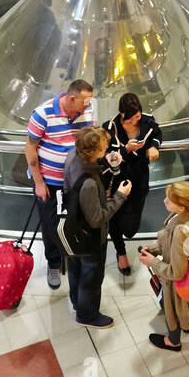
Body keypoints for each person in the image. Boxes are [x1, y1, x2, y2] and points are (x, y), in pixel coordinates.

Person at [25, 79, 95, 290]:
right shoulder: (43, 114)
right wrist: (38, 182)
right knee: (50, 225)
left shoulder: (86, 111)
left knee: (75, 221)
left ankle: (73, 255)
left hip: (74, 182)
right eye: (85, 101)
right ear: (72, 98)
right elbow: (30, 148)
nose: (88, 105)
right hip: (49, 184)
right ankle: (53, 263)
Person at [59, 127, 131, 328]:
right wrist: (120, 195)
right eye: (103, 147)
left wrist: (104, 165)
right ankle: (87, 315)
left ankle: (77, 301)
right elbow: (97, 219)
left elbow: (69, 189)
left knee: (75, 269)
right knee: (91, 277)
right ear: (92, 152)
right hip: (89, 238)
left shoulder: (72, 155)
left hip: (72, 231)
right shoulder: (90, 183)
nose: (107, 148)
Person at [138, 183, 189, 356]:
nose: (164, 201)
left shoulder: (181, 230)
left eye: (169, 200)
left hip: (179, 287)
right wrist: (153, 249)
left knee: (172, 312)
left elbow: (176, 273)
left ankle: (173, 342)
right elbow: (172, 247)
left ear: (181, 207)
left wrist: (153, 262)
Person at [101, 93, 161, 274]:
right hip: (116, 179)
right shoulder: (110, 128)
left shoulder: (147, 122)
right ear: (122, 115)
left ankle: (126, 233)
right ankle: (121, 253)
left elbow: (157, 133)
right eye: (132, 118)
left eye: (138, 116)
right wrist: (126, 149)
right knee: (113, 216)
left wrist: (153, 147)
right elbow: (107, 156)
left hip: (140, 178)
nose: (137, 120)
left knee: (131, 223)